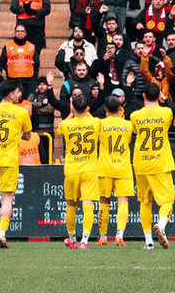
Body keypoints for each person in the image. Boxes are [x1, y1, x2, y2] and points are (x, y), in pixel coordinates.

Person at [0, 81, 32, 247]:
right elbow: (28, 136)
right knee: (7, 198)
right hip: (9, 160)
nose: (20, 95)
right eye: (18, 92)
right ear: (11, 95)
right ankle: (2, 233)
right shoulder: (21, 113)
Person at [131, 82, 175, 250]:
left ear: (143, 96)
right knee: (167, 200)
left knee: (145, 202)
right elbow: (174, 109)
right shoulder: (166, 112)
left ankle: (148, 242)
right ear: (159, 96)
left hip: (141, 163)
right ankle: (162, 225)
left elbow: (135, 131)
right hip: (160, 163)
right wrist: (164, 99)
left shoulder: (135, 115)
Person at [58, 93, 101, 250]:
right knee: (88, 204)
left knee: (71, 205)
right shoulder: (96, 122)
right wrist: (84, 110)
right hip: (90, 169)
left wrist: (71, 113)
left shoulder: (65, 124)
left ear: (72, 107)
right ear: (88, 108)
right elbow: (89, 117)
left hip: (71, 170)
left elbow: (59, 131)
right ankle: (85, 240)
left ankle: (72, 239)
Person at [97, 95, 133, 246]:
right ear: (120, 109)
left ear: (105, 109)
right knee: (123, 201)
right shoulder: (129, 125)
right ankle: (119, 235)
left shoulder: (99, 124)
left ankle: (103, 237)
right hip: (123, 167)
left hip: (104, 167)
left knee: (104, 202)